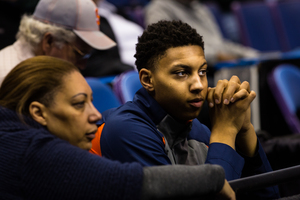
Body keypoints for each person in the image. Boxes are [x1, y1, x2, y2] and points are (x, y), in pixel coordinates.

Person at [0, 55, 236, 200]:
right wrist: (213, 176)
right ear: (38, 113)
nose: (95, 114)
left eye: (91, 101)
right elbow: (128, 182)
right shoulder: (33, 151)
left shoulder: (11, 135)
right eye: (79, 104)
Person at [91, 20, 280, 199]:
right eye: (181, 73)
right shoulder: (125, 131)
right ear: (148, 80)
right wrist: (226, 130)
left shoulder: (196, 129)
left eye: (202, 72)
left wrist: (244, 130)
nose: (199, 85)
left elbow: (269, 197)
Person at [0, 0, 116, 85]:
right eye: (79, 54)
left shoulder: (48, 70)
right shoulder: (9, 82)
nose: (83, 65)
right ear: (49, 42)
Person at [144, 0, 259, 66]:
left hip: (222, 67)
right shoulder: (158, 9)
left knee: (266, 70)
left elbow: (219, 43)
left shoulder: (200, 8)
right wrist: (216, 56)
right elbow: (168, 50)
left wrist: (251, 55)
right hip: (198, 74)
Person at [81, 0, 144, 77]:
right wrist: (125, 68)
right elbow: (93, 62)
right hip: (126, 71)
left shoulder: (111, 8)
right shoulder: (82, 18)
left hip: (143, 61)